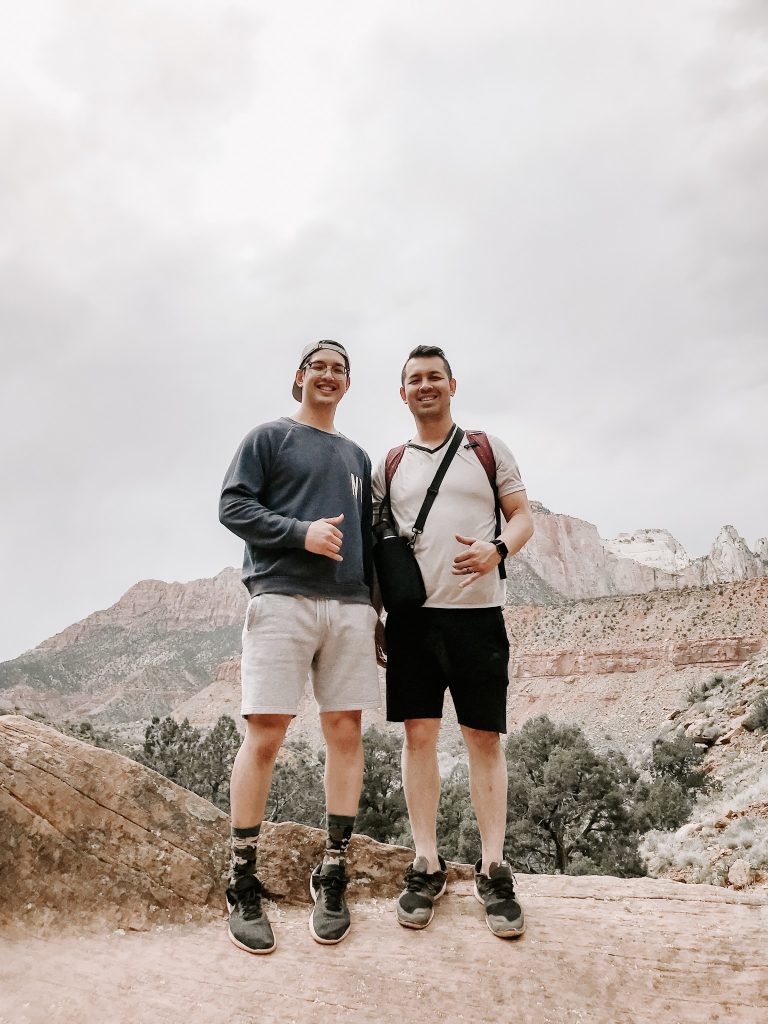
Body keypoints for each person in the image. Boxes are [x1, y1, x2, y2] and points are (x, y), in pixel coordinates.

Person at [219, 340, 380, 953]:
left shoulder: (358, 456)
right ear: (300, 377)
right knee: (265, 733)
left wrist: (376, 610)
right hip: (281, 597)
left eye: (340, 369)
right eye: (320, 366)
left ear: (348, 383)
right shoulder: (268, 438)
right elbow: (232, 505)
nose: (330, 375)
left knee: (346, 732)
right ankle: (241, 878)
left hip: (348, 607)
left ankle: (333, 868)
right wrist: (299, 534)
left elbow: (367, 538)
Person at [372, 345, 534, 938]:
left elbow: (522, 517)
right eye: (414, 379)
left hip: (477, 616)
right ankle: (425, 861)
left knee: (483, 739)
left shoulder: (485, 450)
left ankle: (494, 868)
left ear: (452, 384)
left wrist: (497, 549)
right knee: (419, 739)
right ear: (402, 393)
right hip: (415, 622)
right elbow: (379, 549)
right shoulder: (390, 464)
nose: (425, 386)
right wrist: (376, 616)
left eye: (434, 377)